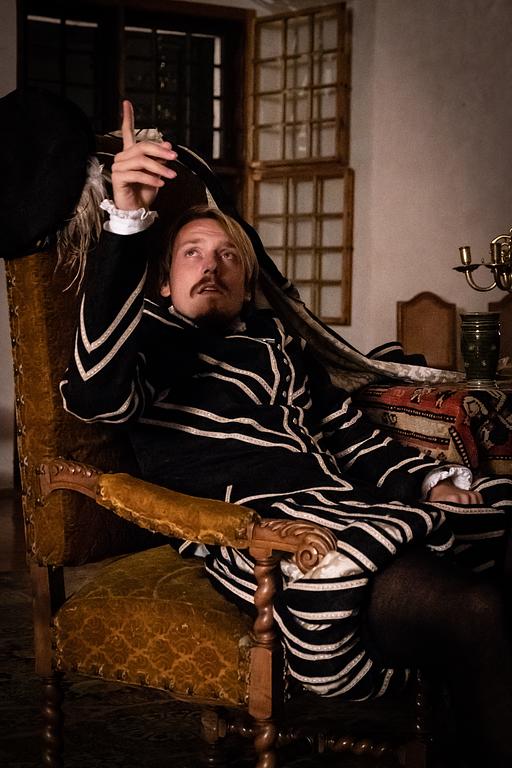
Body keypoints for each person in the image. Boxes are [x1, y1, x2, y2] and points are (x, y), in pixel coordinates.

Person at [61, 101, 512, 767]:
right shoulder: (151, 340)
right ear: (162, 280)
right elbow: (95, 397)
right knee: (475, 612)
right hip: (267, 534)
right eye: (191, 253)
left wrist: (429, 481)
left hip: (356, 506)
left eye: (228, 257)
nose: (211, 266)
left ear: (248, 284)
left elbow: (350, 437)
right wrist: (126, 221)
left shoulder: (277, 345)